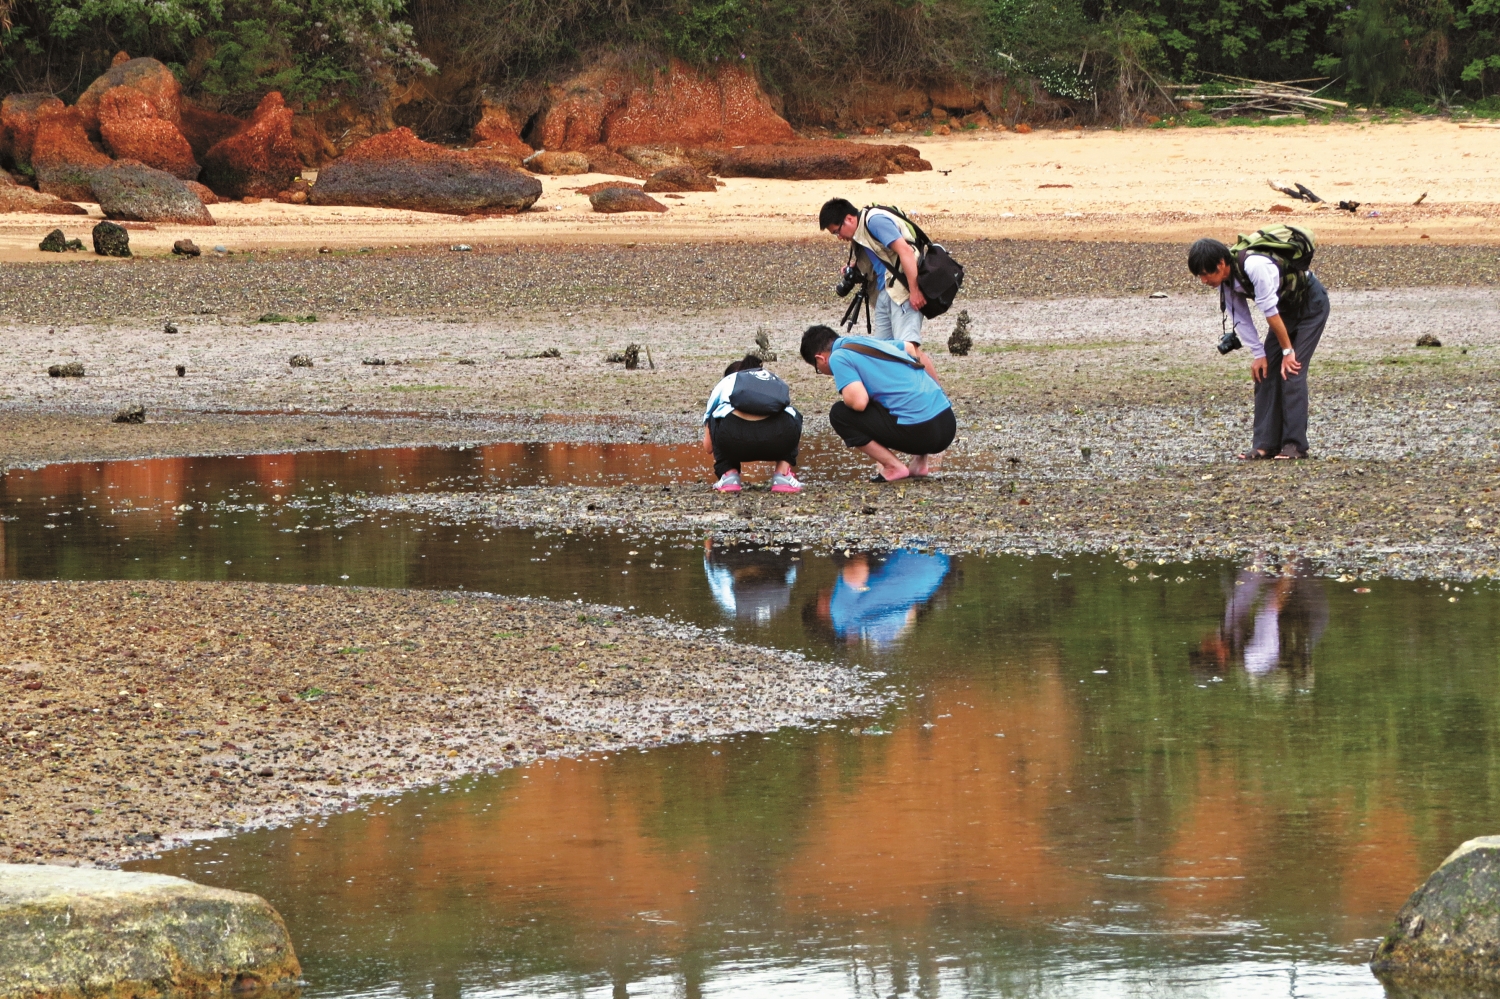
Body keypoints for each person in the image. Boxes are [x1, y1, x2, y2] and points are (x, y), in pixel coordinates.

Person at [1188, 235, 1331, 460]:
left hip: (1310, 305)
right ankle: (1265, 444)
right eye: (1200, 276)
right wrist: (1259, 354)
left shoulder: (1255, 266)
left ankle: (1295, 446)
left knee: (1292, 370)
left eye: (1207, 274)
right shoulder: (1224, 283)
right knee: (1264, 372)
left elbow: (1269, 311)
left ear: (1222, 264)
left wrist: (1287, 352)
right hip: (1283, 312)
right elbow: (1241, 318)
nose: (1204, 280)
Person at [799, 324, 954, 483]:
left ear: (820, 358)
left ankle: (893, 466)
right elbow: (909, 348)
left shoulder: (837, 357)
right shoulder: (863, 342)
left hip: (923, 433)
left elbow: (859, 402)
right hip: (947, 424)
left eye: (817, 368)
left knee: (839, 414)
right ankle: (920, 463)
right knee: (901, 398)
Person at [820, 197, 925, 343]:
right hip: (885, 292)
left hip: (903, 292)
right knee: (884, 353)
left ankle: (922, 367)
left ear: (849, 219)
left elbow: (906, 251)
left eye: (837, 232)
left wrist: (914, 291)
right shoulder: (860, 233)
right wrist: (856, 268)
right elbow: (880, 258)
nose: (839, 237)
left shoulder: (875, 221)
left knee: (907, 348)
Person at [702, 353, 803, 493]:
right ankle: (783, 474)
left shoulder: (727, 381)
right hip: (779, 437)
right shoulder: (771, 379)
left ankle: (729, 475)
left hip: (733, 438)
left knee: (716, 414)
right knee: (793, 413)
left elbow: (708, 447)